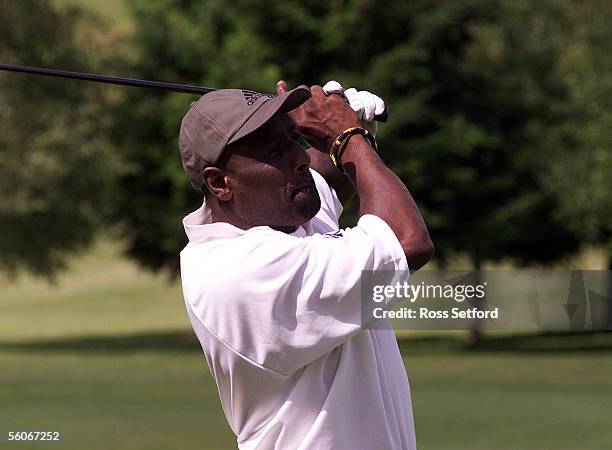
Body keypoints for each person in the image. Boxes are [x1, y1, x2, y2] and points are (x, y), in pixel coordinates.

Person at [178, 79, 433, 450]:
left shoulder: (280, 217)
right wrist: (348, 136)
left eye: (293, 140)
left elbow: (329, 177)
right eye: (273, 150)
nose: (298, 157)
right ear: (220, 183)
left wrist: (331, 125)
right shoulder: (242, 270)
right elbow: (407, 240)